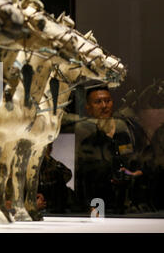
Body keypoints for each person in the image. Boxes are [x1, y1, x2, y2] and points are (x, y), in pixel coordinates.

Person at [74, 84, 144, 214]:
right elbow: (82, 179)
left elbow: (138, 166)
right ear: (88, 108)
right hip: (99, 206)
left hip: (128, 206)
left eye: (107, 101)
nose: (104, 106)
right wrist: (90, 207)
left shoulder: (125, 133)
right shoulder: (87, 140)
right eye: (98, 102)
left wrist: (129, 174)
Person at [38, 143, 74, 213]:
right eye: (48, 147)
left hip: (54, 204)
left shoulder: (54, 165)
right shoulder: (32, 165)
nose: (51, 149)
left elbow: (68, 174)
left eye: (50, 146)